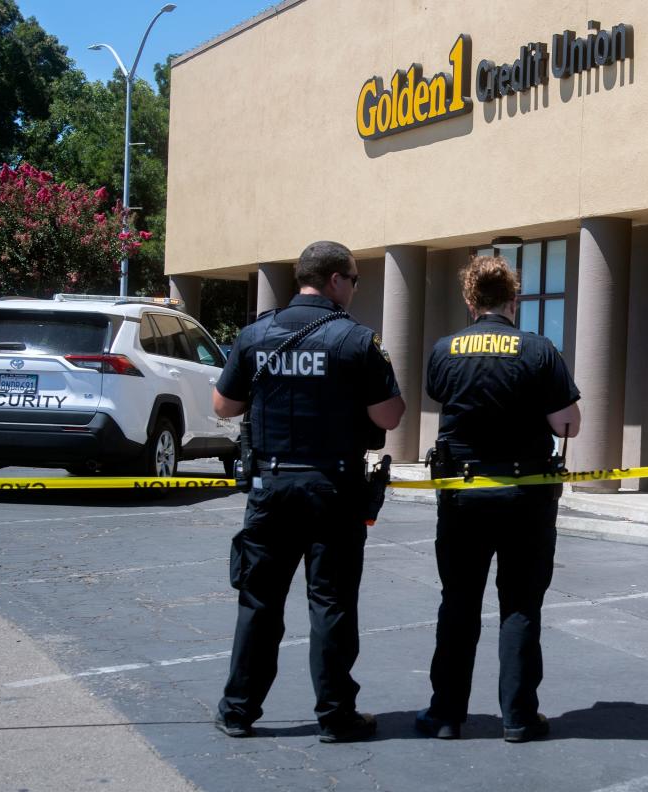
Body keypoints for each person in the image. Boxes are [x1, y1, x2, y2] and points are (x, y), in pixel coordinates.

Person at [213, 240, 405, 743]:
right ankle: (336, 715)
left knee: (259, 601)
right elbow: (390, 416)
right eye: (356, 280)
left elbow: (222, 405)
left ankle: (238, 711)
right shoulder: (356, 340)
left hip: (271, 486)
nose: (355, 289)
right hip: (333, 488)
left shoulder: (256, 335)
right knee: (332, 603)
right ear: (337, 279)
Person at [416, 254, 580, 743]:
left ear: (471, 301)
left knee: (459, 604)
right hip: (525, 497)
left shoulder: (445, 350)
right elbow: (568, 424)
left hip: (463, 495)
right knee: (520, 606)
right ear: (514, 299)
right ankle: (519, 717)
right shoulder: (539, 350)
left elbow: (440, 397)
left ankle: (446, 714)